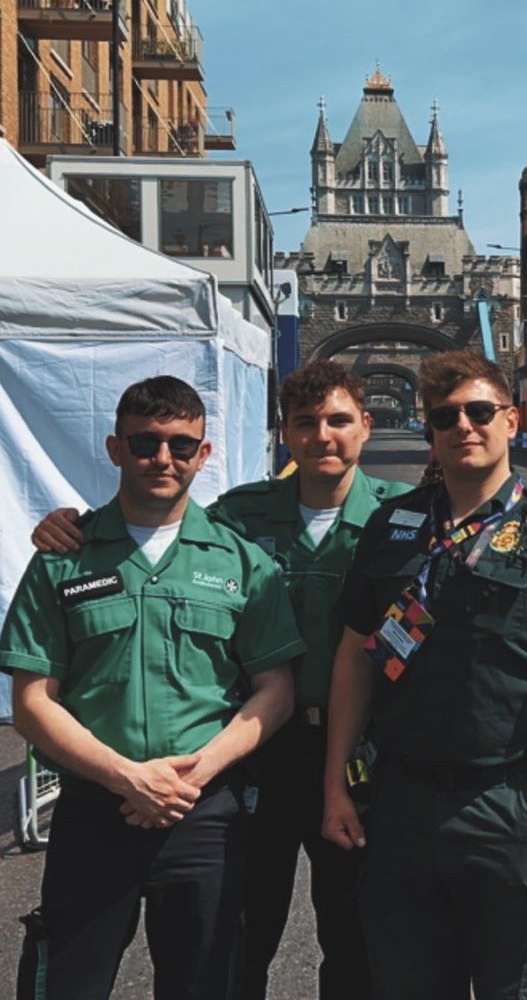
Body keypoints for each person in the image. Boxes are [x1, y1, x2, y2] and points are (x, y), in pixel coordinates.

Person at [30, 360, 412, 1000]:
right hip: (256, 753)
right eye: (306, 423)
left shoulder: (407, 518)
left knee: (357, 934)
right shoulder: (237, 519)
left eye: (339, 421)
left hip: (360, 753)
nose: (324, 436)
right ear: (284, 433)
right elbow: (157, 532)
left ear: (365, 427)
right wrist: (65, 525)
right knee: (235, 938)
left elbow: (484, 525)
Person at [322, 349, 527, 999]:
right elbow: (354, 653)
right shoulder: (392, 526)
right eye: (445, 416)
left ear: (510, 420)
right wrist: (335, 781)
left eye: (480, 411)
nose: (464, 425)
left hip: (508, 804)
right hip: (401, 805)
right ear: (430, 430)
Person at [2, 376, 304, 1000]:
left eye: (181, 445)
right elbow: (32, 700)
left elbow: (274, 690)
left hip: (204, 817)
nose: (163, 459)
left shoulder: (241, 562)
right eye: (144, 444)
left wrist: (187, 778)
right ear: (115, 449)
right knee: (69, 982)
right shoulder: (63, 559)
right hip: (94, 809)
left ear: (204, 453)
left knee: (205, 983)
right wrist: (126, 777)